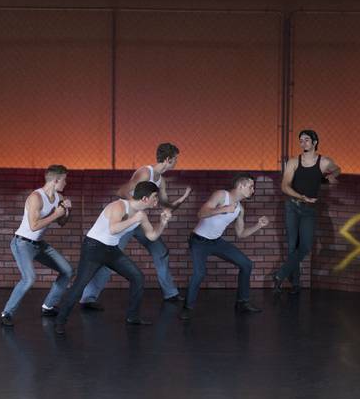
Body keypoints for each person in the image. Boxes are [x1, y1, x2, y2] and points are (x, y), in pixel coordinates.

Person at [79, 143, 191, 310]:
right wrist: (135, 210)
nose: (176, 162)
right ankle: (88, 298)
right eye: (175, 159)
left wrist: (181, 200)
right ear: (168, 159)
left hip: (139, 221)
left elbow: (165, 204)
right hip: (126, 221)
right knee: (109, 259)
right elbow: (122, 192)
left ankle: (171, 293)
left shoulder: (161, 180)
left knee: (160, 251)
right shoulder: (146, 172)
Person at [54, 181, 171, 335]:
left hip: (111, 250)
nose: (157, 201)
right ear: (144, 199)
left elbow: (152, 236)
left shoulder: (142, 215)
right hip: (93, 248)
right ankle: (60, 322)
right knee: (79, 285)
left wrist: (162, 223)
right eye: (155, 197)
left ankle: (132, 317)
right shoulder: (120, 206)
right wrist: (135, 219)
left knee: (138, 277)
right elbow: (113, 228)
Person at [179, 173, 269, 320]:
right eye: (251, 186)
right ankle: (187, 308)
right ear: (241, 186)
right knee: (199, 273)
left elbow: (241, 234)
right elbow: (201, 213)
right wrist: (222, 209)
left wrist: (259, 225)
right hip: (198, 241)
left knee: (246, 264)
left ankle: (242, 302)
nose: (253, 190)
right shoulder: (221, 195)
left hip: (216, 242)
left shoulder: (240, 209)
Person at [1, 165, 73, 327]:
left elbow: (61, 222)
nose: (66, 183)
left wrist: (67, 211)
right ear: (55, 180)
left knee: (67, 271)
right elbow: (34, 226)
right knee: (29, 278)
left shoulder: (59, 197)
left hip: (39, 244)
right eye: (64, 180)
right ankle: (7, 313)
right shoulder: (36, 197)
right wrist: (56, 214)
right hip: (22, 243)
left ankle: (48, 306)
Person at [270, 130, 340, 294]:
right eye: (301, 140)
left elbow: (337, 169)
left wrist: (330, 176)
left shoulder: (324, 162)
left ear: (315, 142)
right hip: (293, 206)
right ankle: (295, 284)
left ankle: (279, 275)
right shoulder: (294, 162)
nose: (303, 143)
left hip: (309, 209)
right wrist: (301, 196)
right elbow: (284, 186)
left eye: (306, 140)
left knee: (306, 246)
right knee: (292, 247)